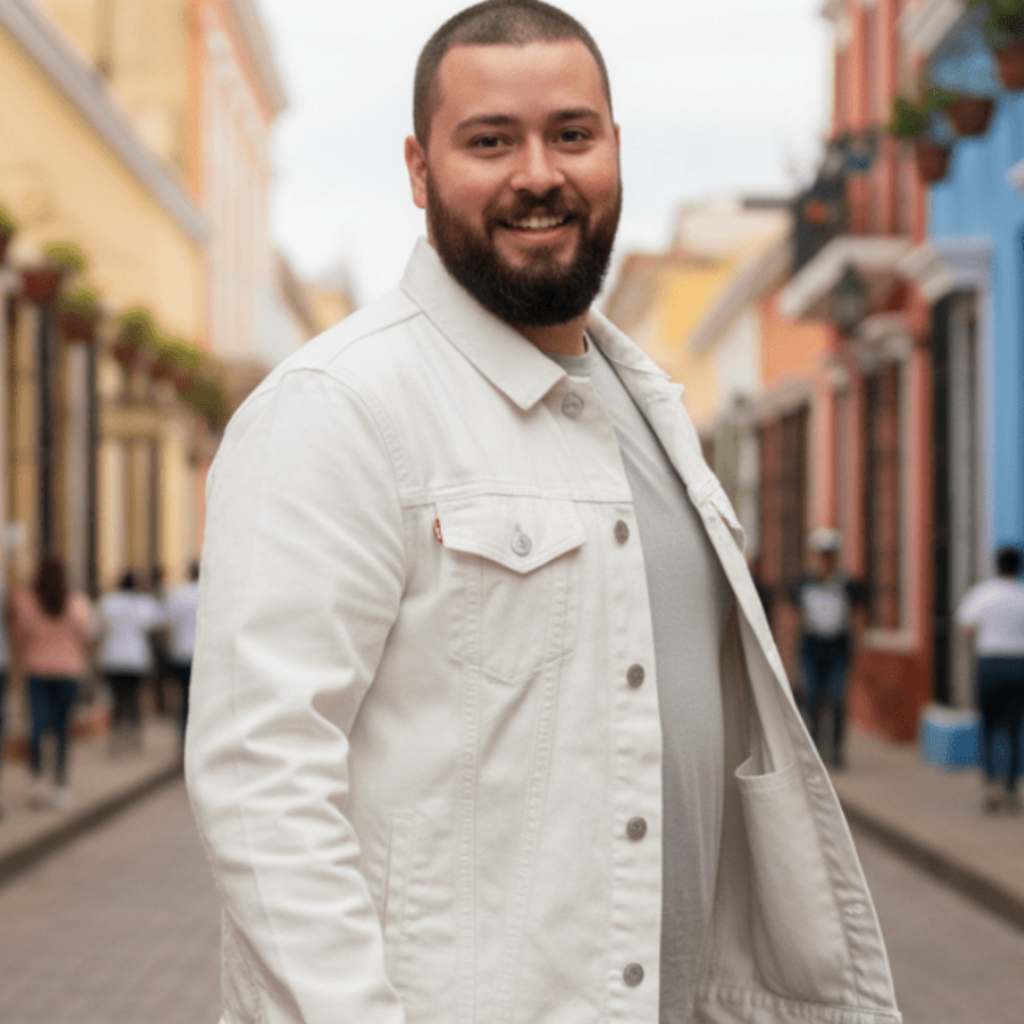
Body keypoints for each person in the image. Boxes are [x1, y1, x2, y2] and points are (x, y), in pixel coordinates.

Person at [186, 4, 900, 1024]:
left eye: (572, 133)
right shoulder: (337, 407)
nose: (538, 173)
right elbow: (262, 780)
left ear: (615, 150)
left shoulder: (651, 413)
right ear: (418, 169)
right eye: (489, 140)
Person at [7, 554, 94, 809]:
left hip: (37, 672)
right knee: (62, 730)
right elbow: (86, 635)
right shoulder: (75, 602)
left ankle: (37, 781)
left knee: (37, 725)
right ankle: (60, 785)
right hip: (68, 673)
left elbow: (18, 636)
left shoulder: (27, 603)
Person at [786, 527, 867, 769]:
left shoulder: (847, 584)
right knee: (811, 698)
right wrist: (789, 654)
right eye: (822, 554)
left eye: (830, 553)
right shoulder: (803, 584)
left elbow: (858, 616)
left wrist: (858, 648)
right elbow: (793, 619)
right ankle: (814, 748)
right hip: (811, 648)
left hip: (838, 649)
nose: (826, 559)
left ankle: (836, 749)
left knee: (836, 698)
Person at [956, 545, 1024, 811]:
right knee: (1015, 726)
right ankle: (1010, 785)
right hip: (1019, 664)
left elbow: (966, 628)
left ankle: (989, 782)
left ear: (997, 565)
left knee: (988, 724)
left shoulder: (982, 594)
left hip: (990, 663)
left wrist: (973, 656)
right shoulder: (1021, 595)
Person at [97, 570, 165, 755]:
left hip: (112, 658)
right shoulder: (144, 604)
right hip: (136, 659)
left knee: (116, 699)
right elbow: (160, 623)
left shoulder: (108, 602)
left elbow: (98, 626)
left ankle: (116, 738)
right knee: (134, 698)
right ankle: (134, 737)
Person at [163, 561, 199, 748]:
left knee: (184, 699)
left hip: (181, 654)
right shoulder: (209, 594)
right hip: (201, 657)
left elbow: (167, 624)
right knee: (200, 701)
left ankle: (183, 739)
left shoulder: (178, 595)